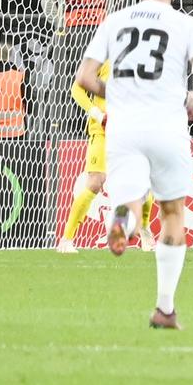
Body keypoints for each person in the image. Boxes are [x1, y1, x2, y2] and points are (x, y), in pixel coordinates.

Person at [72, 0, 193, 329]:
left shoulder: (113, 22)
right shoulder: (188, 25)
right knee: (172, 212)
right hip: (167, 125)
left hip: (124, 128)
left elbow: (85, 78)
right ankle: (165, 308)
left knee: (131, 204)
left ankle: (123, 223)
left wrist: (117, 93)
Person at [56, 72, 112, 252]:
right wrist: (98, 114)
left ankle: (145, 233)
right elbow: (76, 88)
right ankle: (67, 239)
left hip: (130, 134)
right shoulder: (104, 57)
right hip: (103, 132)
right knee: (95, 182)